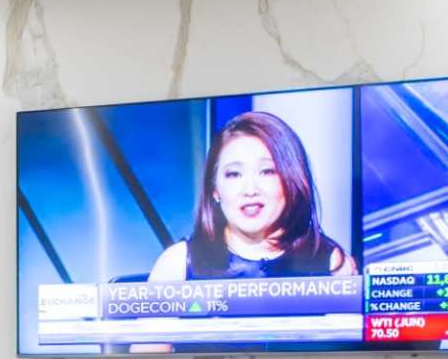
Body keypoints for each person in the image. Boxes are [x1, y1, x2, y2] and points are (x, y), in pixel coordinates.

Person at [143, 108, 353, 283]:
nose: (250, 189)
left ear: (292, 180)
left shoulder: (331, 263)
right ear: (215, 190)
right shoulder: (178, 264)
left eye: (267, 171)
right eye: (234, 174)